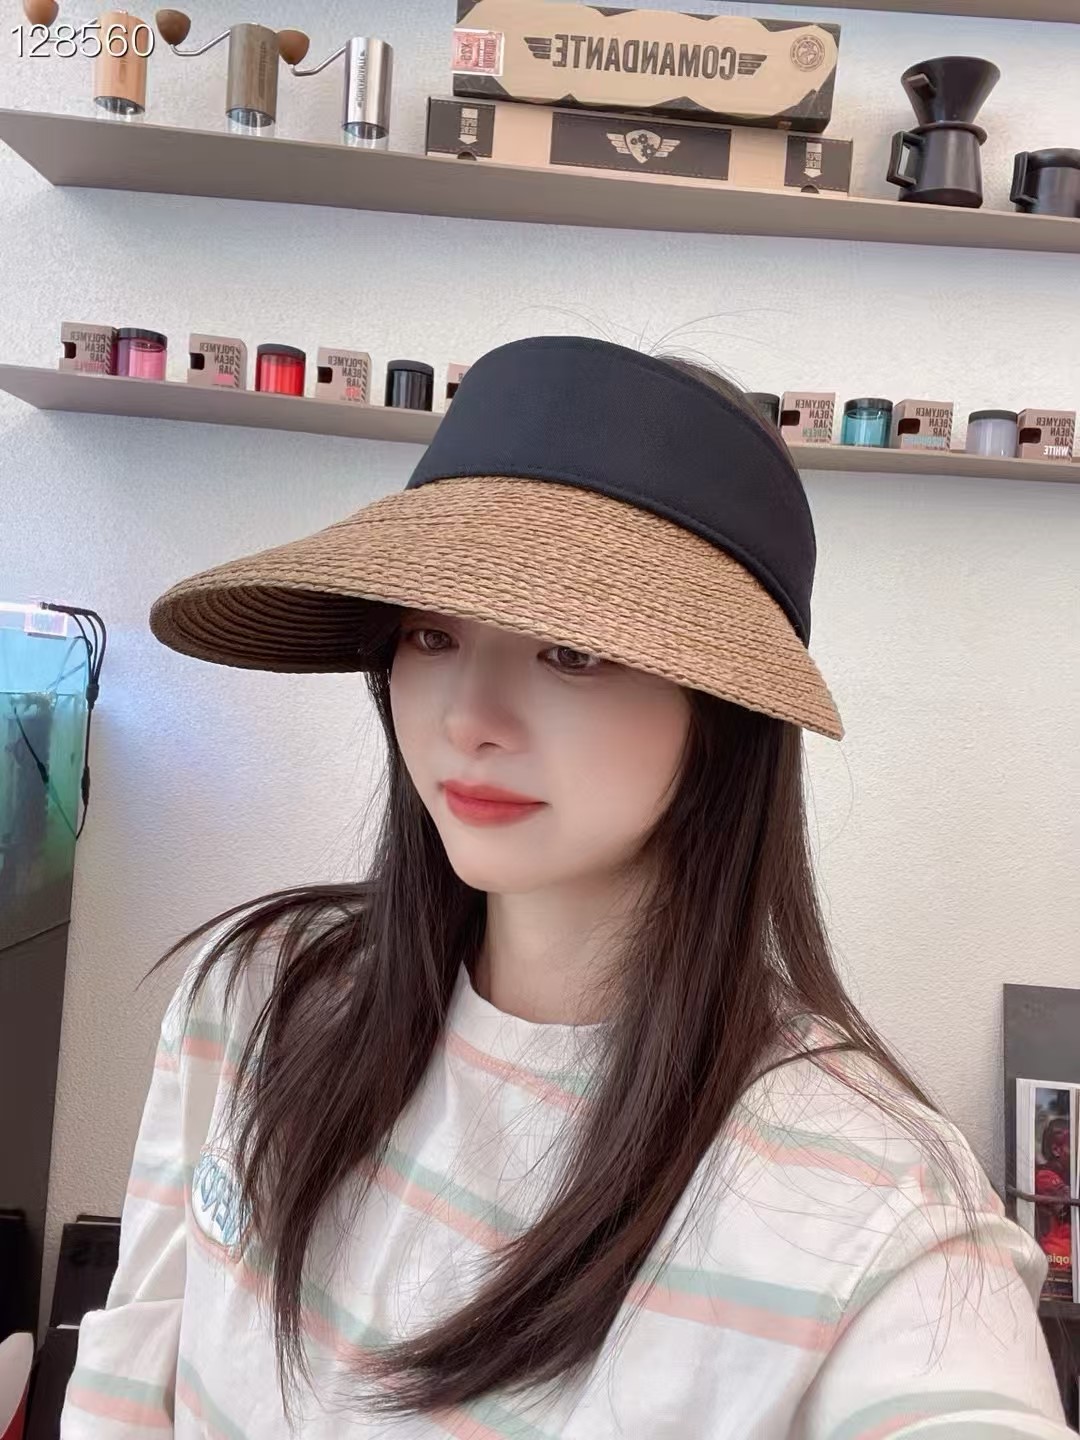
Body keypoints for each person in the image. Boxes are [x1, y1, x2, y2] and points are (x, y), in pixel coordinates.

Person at [61, 336, 1070, 1438]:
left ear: (724, 715)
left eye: (571, 653)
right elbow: (130, 1379)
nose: (467, 718)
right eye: (431, 634)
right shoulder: (260, 995)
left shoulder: (870, 1208)